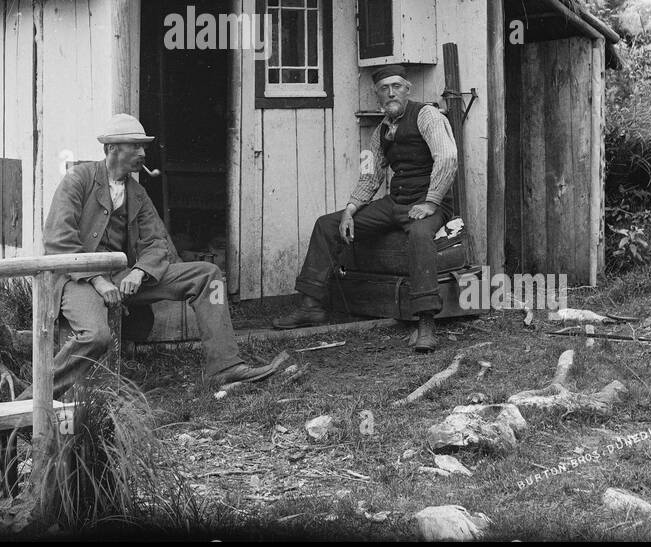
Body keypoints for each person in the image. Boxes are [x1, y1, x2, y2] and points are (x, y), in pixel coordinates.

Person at [43, 113, 284, 398]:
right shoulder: (78, 180)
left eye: (143, 147)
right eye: (136, 147)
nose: (143, 153)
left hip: (122, 276)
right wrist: (98, 280)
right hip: (78, 279)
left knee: (209, 276)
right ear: (112, 149)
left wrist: (139, 271)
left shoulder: (137, 192)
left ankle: (225, 365)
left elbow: (157, 242)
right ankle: (36, 398)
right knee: (96, 336)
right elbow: (59, 241)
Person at [273, 65, 458, 353]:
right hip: (395, 203)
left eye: (396, 86)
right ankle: (311, 306)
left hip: (428, 203)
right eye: (384, 89)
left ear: (408, 89)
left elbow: (447, 157)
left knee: (420, 237)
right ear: (378, 97)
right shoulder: (379, 132)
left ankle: (425, 322)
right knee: (327, 224)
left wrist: (431, 201)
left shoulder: (427, 116)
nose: (391, 92)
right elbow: (370, 175)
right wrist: (350, 209)